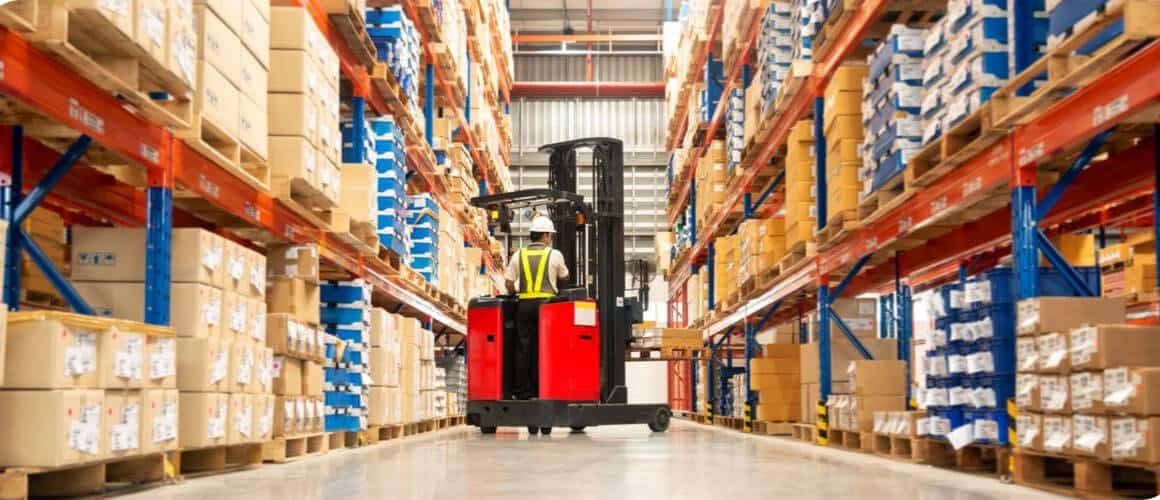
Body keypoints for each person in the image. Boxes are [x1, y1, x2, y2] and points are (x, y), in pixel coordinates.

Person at [502, 215, 570, 399]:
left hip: (524, 306)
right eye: (551, 236)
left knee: (524, 348)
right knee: (546, 348)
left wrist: (517, 290)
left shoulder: (518, 255)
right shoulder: (554, 255)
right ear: (546, 236)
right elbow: (564, 276)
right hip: (547, 308)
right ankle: (545, 388)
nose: (551, 239)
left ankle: (523, 391)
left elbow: (508, 283)